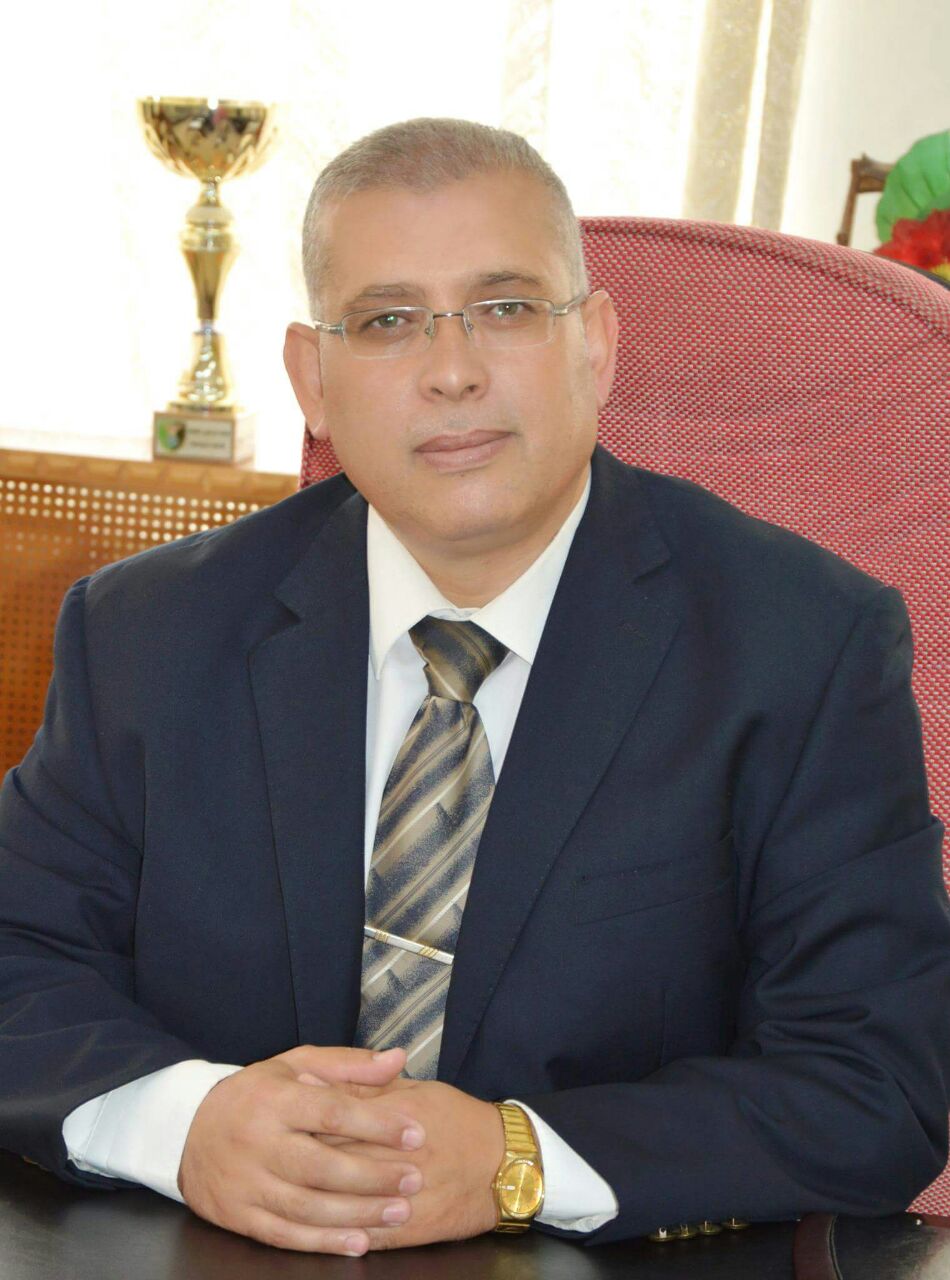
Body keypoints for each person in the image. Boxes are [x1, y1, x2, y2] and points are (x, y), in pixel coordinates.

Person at [0, 117, 948, 1259]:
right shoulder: (147, 633)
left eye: (504, 307)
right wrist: (187, 1122)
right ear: (312, 378)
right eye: (387, 320)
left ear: (595, 344)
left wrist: (515, 1158)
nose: (451, 371)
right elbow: (18, 956)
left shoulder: (799, 646)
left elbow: (874, 1079)